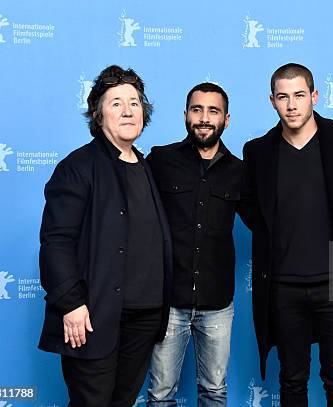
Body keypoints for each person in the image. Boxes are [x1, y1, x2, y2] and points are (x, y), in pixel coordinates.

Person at [242, 63, 333, 407]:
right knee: (292, 380)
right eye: (283, 97)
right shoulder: (258, 152)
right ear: (272, 101)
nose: (291, 105)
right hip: (283, 287)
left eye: (298, 95)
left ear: (314, 97)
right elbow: (250, 206)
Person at [38, 65, 173, 407]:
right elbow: (56, 241)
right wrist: (70, 303)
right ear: (98, 116)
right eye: (116, 103)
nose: (128, 110)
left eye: (134, 102)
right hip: (94, 316)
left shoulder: (147, 166)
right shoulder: (78, 167)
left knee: (122, 402)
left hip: (144, 317)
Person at [146, 83, 245, 406]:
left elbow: (269, 221)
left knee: (214, 391)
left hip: (217, 302)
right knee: (161, 395)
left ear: (226, 119)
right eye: (197, 109)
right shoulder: (160, 160)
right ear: (185, 115)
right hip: (169, 301)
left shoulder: (239, 171)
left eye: (213, 111)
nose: (204, 118)